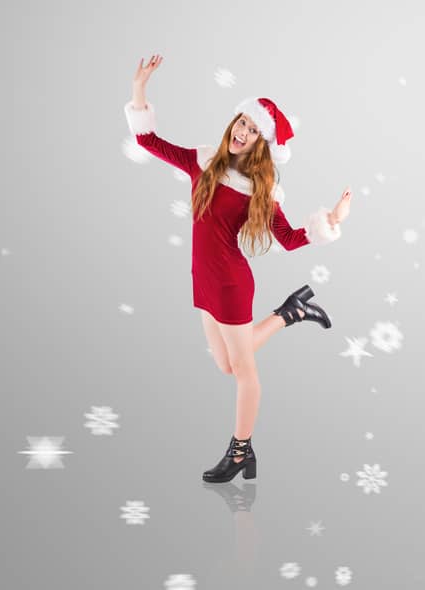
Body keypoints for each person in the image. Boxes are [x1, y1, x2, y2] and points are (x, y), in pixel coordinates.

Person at [125, 54, 353, 483]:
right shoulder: (203, 160)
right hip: (202, 280)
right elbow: (148, 141)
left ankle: (240, 451)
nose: (242, 133)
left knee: (245, 374)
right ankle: (292, 313)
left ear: (261, 142)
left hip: (231, 284)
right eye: (240, 123)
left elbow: (288, 238)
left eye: (252, 130)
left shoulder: (260, 188)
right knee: (226, 365)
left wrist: (333, 221)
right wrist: (140, 90)